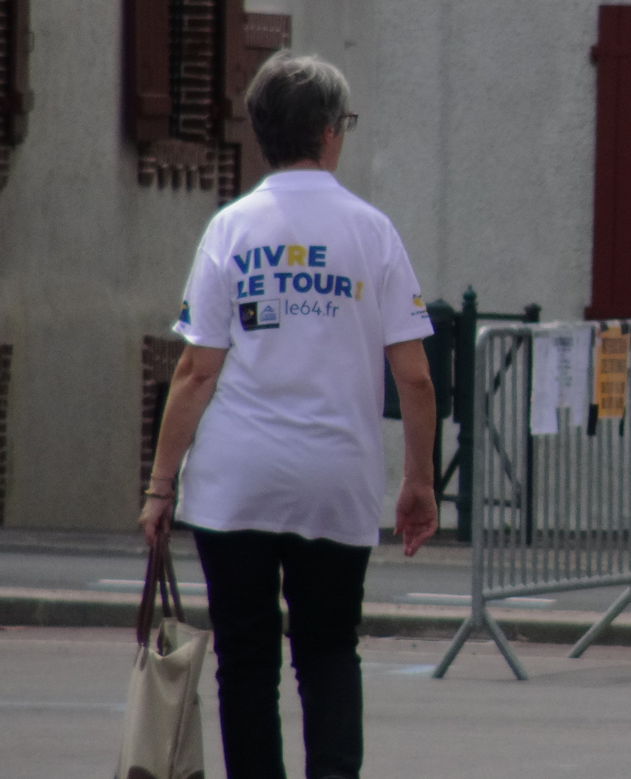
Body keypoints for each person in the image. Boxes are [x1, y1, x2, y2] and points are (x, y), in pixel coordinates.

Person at [137, 50, 438, 779]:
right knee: (329, 648)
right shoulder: (374, 232)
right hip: (337, 480)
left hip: (237, 481)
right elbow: (416, 377)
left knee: (245, 660)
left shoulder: (230, 229)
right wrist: (419, 480)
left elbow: (196, 369)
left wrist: (160, 483)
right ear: (330, 132)